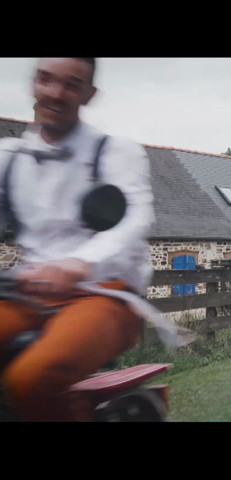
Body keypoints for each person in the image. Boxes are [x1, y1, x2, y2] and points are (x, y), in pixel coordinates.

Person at [0, 58, 155, 421]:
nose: (56, 93)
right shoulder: (8, 159)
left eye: (71, 84)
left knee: (33, 376)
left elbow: (133, 217)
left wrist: (80, 262)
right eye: (46, 79)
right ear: (33, 82)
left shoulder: (115, 153)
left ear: (90, 93)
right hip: (27, 294)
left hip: (103, 294)